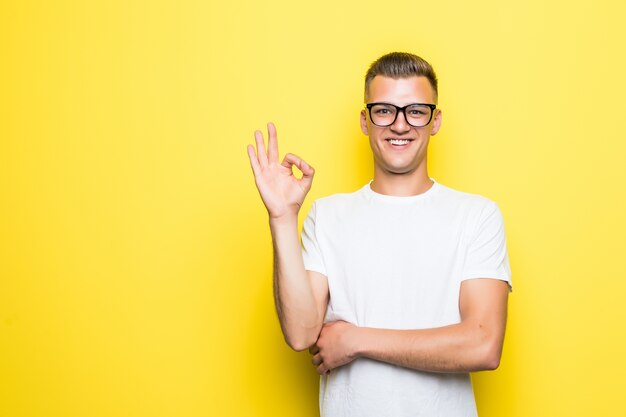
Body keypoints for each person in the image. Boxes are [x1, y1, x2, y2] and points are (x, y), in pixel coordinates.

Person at [246, 52, 512, 417]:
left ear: (435, 121)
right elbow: (301, 333)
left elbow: (483, 345)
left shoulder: (477, 216)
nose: (400, 125)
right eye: (384, 110)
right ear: (365, 120)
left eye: (415, 111)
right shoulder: (327, 216)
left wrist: (357, 340)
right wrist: (282, 217)